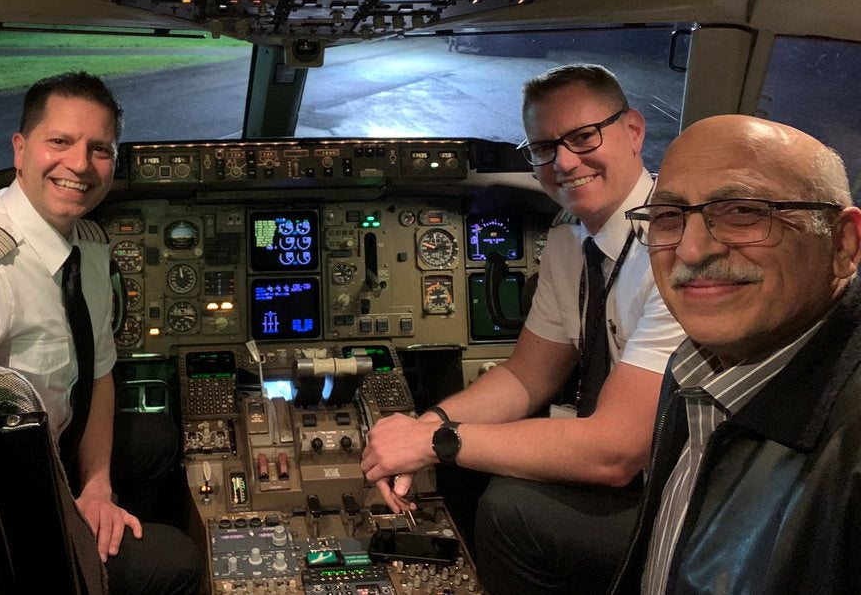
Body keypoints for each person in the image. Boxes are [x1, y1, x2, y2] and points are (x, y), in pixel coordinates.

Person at [361, 64, 686, 594]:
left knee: (512, 511)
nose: (563, 161)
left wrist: (438, 442)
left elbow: (616, 454)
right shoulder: (569, 242)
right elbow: (525, 378)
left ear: (632, 130)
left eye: (583, 137)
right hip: (634, 477)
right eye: (543, 147)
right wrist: (422, 428)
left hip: (682, 499)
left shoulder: (674, 253)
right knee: (466, 470)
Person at [0, 72, 201, 595]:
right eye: (60, 142)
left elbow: (100, 371)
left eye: (100, 149)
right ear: (20, 149)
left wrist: (96, 485)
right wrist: (66, 507)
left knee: (159, 436)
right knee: (179, 562)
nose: (79, 165)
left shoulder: (88, 246)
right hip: (8, 488)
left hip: (55, 448)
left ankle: (113, 528)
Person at [610, 115, 861, 594]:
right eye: (667, 217)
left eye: (744, 211)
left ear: (843, 243)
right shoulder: (694, 366)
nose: (691, 249)